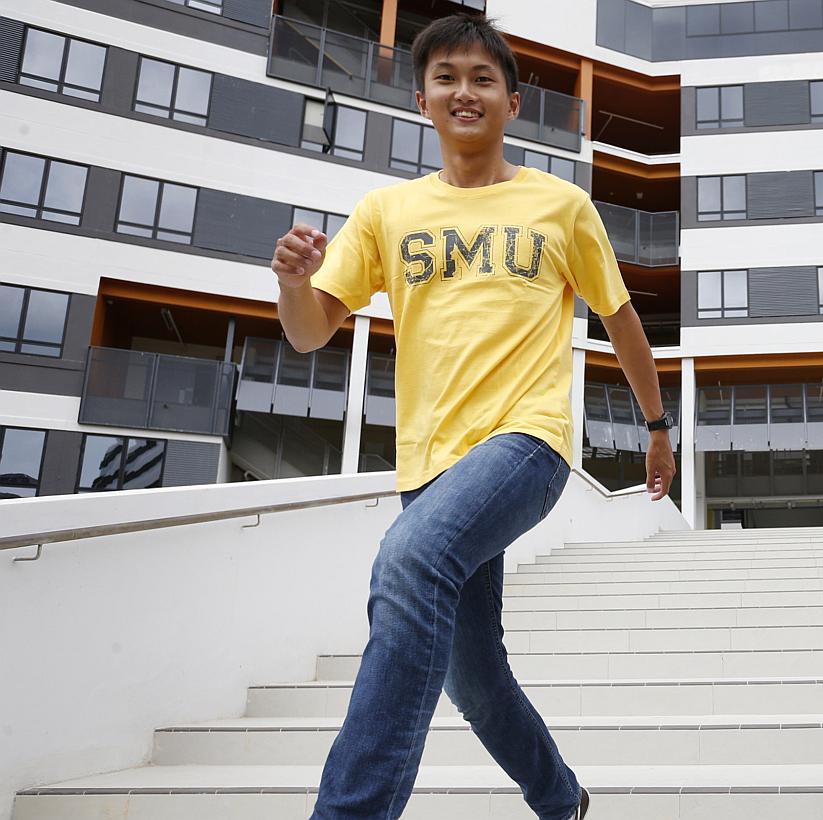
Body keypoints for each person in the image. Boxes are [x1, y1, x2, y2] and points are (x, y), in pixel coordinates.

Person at [268, 12, 675, 820]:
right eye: (447, 77)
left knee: (407, 563)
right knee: (475, 681)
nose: (465, 91)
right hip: (429, 467)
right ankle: (561, 799)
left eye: (483, 78)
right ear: (422, 99)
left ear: (512, 103)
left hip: (527, 444)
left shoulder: (560, 206)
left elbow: (621, 320)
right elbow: (310, 331)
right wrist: (292, 283)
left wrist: (657, 430)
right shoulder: (386, 212)